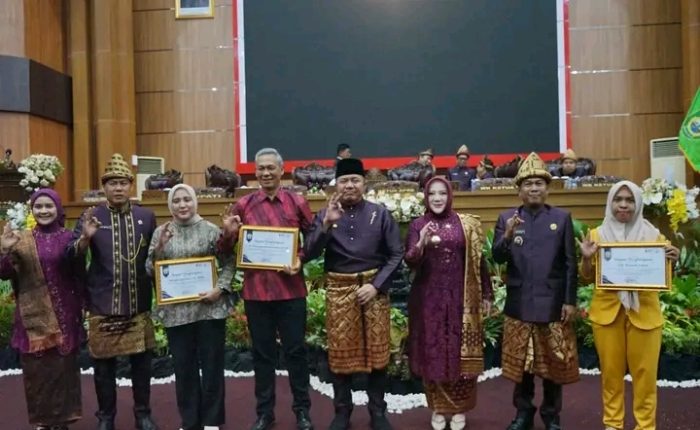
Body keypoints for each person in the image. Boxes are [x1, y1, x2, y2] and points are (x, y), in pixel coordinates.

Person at [305, 158, 403, 430]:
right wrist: (326, 224)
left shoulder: (379, 214)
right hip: (339, 292)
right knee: (340, 355)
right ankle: (342, 412)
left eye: (355, 180)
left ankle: (378, 411)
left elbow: (397, 253)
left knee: (378, 354)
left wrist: (376, 285)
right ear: (336, 184)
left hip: (374, 291)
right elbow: (309, 253)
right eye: (344, 180)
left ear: (364, 183)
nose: (349, 185)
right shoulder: (325, 214)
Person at [220, 148, 314, 430]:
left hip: (291, 292)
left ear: (282, 170)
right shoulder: (243, 205)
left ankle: (302, 411)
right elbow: (224, 250)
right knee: (262, 356)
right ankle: (264, 413)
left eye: (271, 167)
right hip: (257, 294)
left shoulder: (297, 202)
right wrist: (229, 234)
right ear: (255, 172)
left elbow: (314, 238)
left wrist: (300, 258)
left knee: (296, 353)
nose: (265, 173)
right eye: (261, 168)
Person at [67, 153, 159, 430]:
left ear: (130, 185)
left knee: (142, 366)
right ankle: (106, 417)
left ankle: (143, 414)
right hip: (103, 303)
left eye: (123, 183)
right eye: (112, 183)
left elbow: (153, 259)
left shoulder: (146, 216)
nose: (118, 188)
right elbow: (70, 257)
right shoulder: (91, 216)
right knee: (103, 368)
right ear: (104, 187)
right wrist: (85, 238)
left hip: (138, 304)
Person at [579, 181, 679, 430]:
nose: (623, 205)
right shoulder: (596, 235)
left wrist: (672, 262)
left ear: (638, 203)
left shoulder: (655, 237)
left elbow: (664, 278)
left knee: (646, 377)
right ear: (610, 203)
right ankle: (613, 424)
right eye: (618, 199)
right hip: (607, 316)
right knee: (610, 375)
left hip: (644, 314)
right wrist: (587, 259)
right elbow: (587, 277)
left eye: (630, 200)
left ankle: (645, 426)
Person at [493, 152, 579, 430]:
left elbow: (570, 263)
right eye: (528, 184)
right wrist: (507, 235)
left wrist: (569, 301)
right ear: (518, 190)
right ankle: (523, 413)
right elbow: (497, 257)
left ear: (547, 188)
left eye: (539, 183)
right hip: (520, 303)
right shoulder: (507, 218)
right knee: (522, 367)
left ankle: (551, 415)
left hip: (553, 304)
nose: (533, 188)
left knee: (553, 365)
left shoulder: (561, 218)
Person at [404, 177, 492, 430]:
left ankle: (460, 408)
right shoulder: (418, 224)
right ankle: (438, 408)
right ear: (426, 197)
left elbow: (478, 261)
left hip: (461, 299)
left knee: (460, 354)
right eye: (432, 193)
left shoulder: (466, 224)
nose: (437, 198)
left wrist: (486, 293)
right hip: (428, 300)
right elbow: (410, 261)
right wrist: (420, 242)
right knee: (433, 353)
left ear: (450, 195)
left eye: (442, 193)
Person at [146, 184, 235, 430]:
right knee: (184, 369)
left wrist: (220, 289)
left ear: (195, 201)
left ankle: (212, 421)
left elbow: (229, 263)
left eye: (187, 199)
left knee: (212, 367)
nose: (182, 205)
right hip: (176, 314)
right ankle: (190, 421)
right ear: (170, 205)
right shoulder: (161, 232)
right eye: (176, 201)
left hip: (209, 310)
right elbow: (148, 270)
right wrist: (160, 248)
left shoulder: (211, 230)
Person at [0, 189, 85, 430]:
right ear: (32, 210)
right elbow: (4, 273)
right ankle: (43, 422)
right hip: (32, 318)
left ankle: (62, 421)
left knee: (63, 370)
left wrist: (83, 305)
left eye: (49, 206)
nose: (44, 211)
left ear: (58, 208)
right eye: (38, 206)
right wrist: (4, 250)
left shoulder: (69, 238)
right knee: (38, 372)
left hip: (65, 314)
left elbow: (79, 275)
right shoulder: (21, 239)